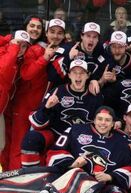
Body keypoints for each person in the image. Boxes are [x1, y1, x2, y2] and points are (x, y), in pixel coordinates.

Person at [30, 106, 131, 193]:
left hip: (101, 187)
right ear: (94, 120)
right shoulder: (75, 130)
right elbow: (55, 152)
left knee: (113, 190)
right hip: (75, 181)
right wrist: (73, 164)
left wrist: (111, 176)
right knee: (77, 174)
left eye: (107, 120)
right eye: (100, 119)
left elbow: (130, 167)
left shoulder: (122, 140)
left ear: (113, 123)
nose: (103, 123)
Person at [3, 19, 66, 171]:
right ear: (47, 33)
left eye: (59, 33)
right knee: (17, 146)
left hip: (43, 108)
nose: (55, 36)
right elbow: (26, 74)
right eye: (52, 32)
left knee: (30, 145)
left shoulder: (63, 51)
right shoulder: (35, 49)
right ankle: (13, 181)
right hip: (23, 106)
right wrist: (44, 58)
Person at [20, 59, 103, 168]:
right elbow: (36, 123)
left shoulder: (95, 95)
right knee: (31, 138)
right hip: (56, 134)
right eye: (74, 73)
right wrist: (47, 108)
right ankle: (30, 176)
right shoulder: (57, 92)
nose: (78, 76)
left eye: (82, 73)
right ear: (69, 75)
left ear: (88, 76)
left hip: (82, 139)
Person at [0, 30, 31, 171]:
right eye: (18, 44)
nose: (20, 48)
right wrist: (12, 47)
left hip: (2, 107)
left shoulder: (17, 59)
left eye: (24, 46)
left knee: (1, 144)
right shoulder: (4, 52)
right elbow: (4, 72)